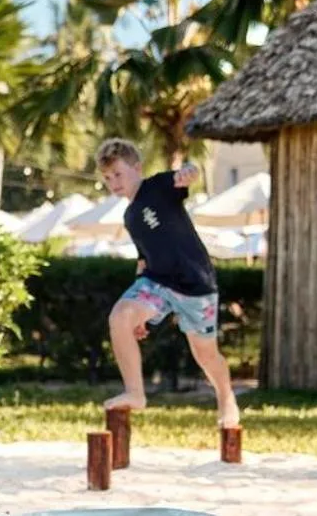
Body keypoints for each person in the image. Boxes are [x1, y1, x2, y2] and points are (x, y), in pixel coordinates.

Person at [94, 138, 240, 428]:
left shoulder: (157, 187)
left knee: (205, 354)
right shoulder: (130, 215)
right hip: (157, 282)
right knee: (120, 316)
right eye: (108, 178)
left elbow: (184, 177)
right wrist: (139, 313)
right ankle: (135, 393)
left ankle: (227, 398)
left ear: (137, 168)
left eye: (118, 174)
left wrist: (189, 171)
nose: (114, 182)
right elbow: (144, 260)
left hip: (195, 284)